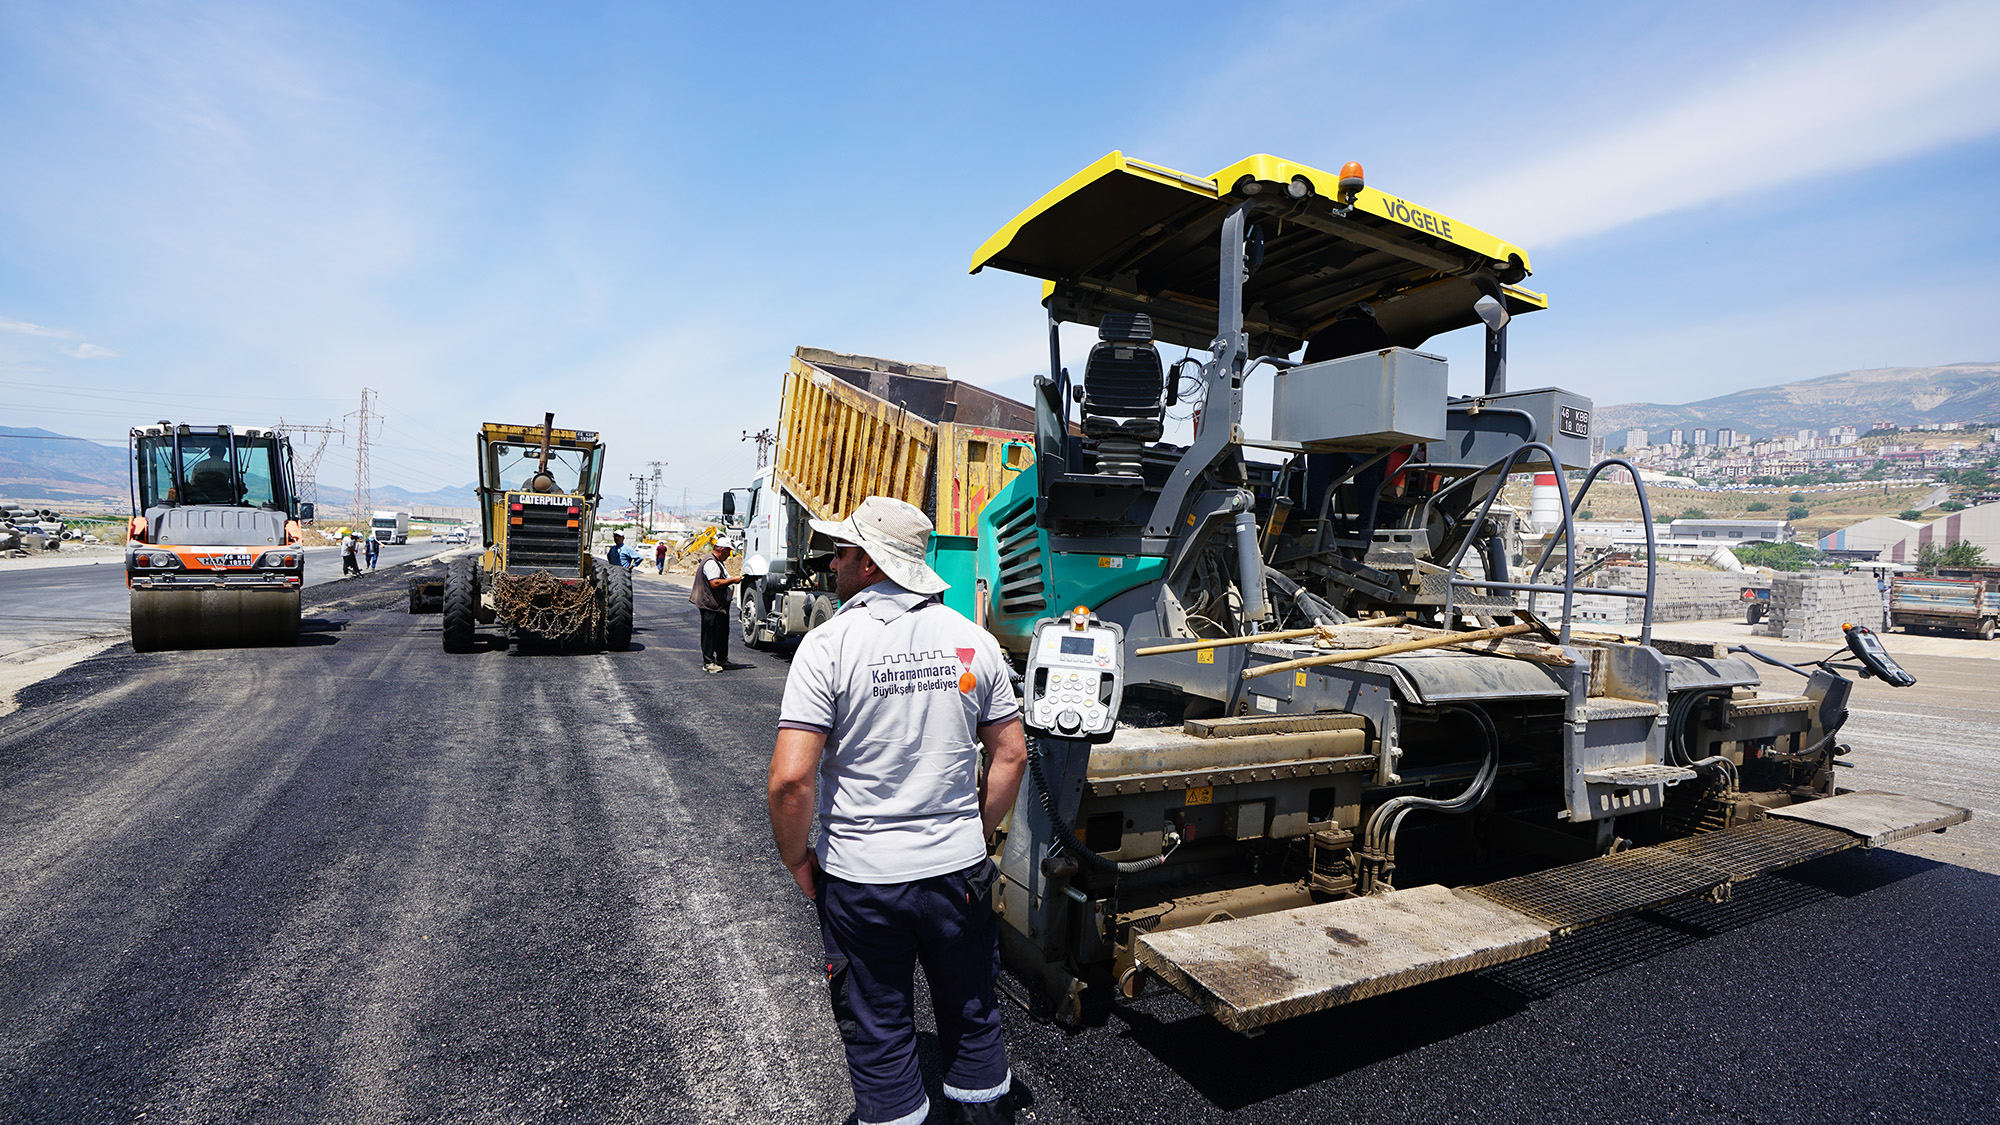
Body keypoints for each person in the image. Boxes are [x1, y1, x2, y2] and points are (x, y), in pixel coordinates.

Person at [766, 496, 1027, 1125]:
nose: (832, 563)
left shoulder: (828, 646)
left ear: (871, 564)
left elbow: (792, 780)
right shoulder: (974, 640)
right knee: (973, 1013)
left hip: (864, 880)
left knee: (879, 1028)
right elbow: (1012, 754)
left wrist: (798, 860)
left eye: (842, 552)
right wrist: (973, 835)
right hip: (958, 873)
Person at [689, 539, 741, 673]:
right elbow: (715, 583)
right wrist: (733, 580)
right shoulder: (711, 563)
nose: (729, 555)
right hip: (710, 605)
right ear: (722, 550)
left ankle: (722, 659)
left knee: (721, 632)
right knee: (710, 633)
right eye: (728, 552)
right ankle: (708, 662)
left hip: (718, 605)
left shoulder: (717, 562)